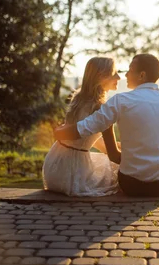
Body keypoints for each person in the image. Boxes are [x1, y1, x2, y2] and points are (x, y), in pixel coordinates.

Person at [54, 53, 159, 197]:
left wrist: (59, 131)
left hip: (132, 185)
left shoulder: (120, 101)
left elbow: (86, 127)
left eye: (130, 70)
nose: (125, 75)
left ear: (142, 75)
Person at [42, 57, 121, 196]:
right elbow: (114, 155)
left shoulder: (78, 98)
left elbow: (83, 138)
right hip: (73, 174)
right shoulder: (101, 109)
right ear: (102, 76)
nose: (119, 77)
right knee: (116, 172)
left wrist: (114, 146)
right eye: (114, 73)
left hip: (54, 166)